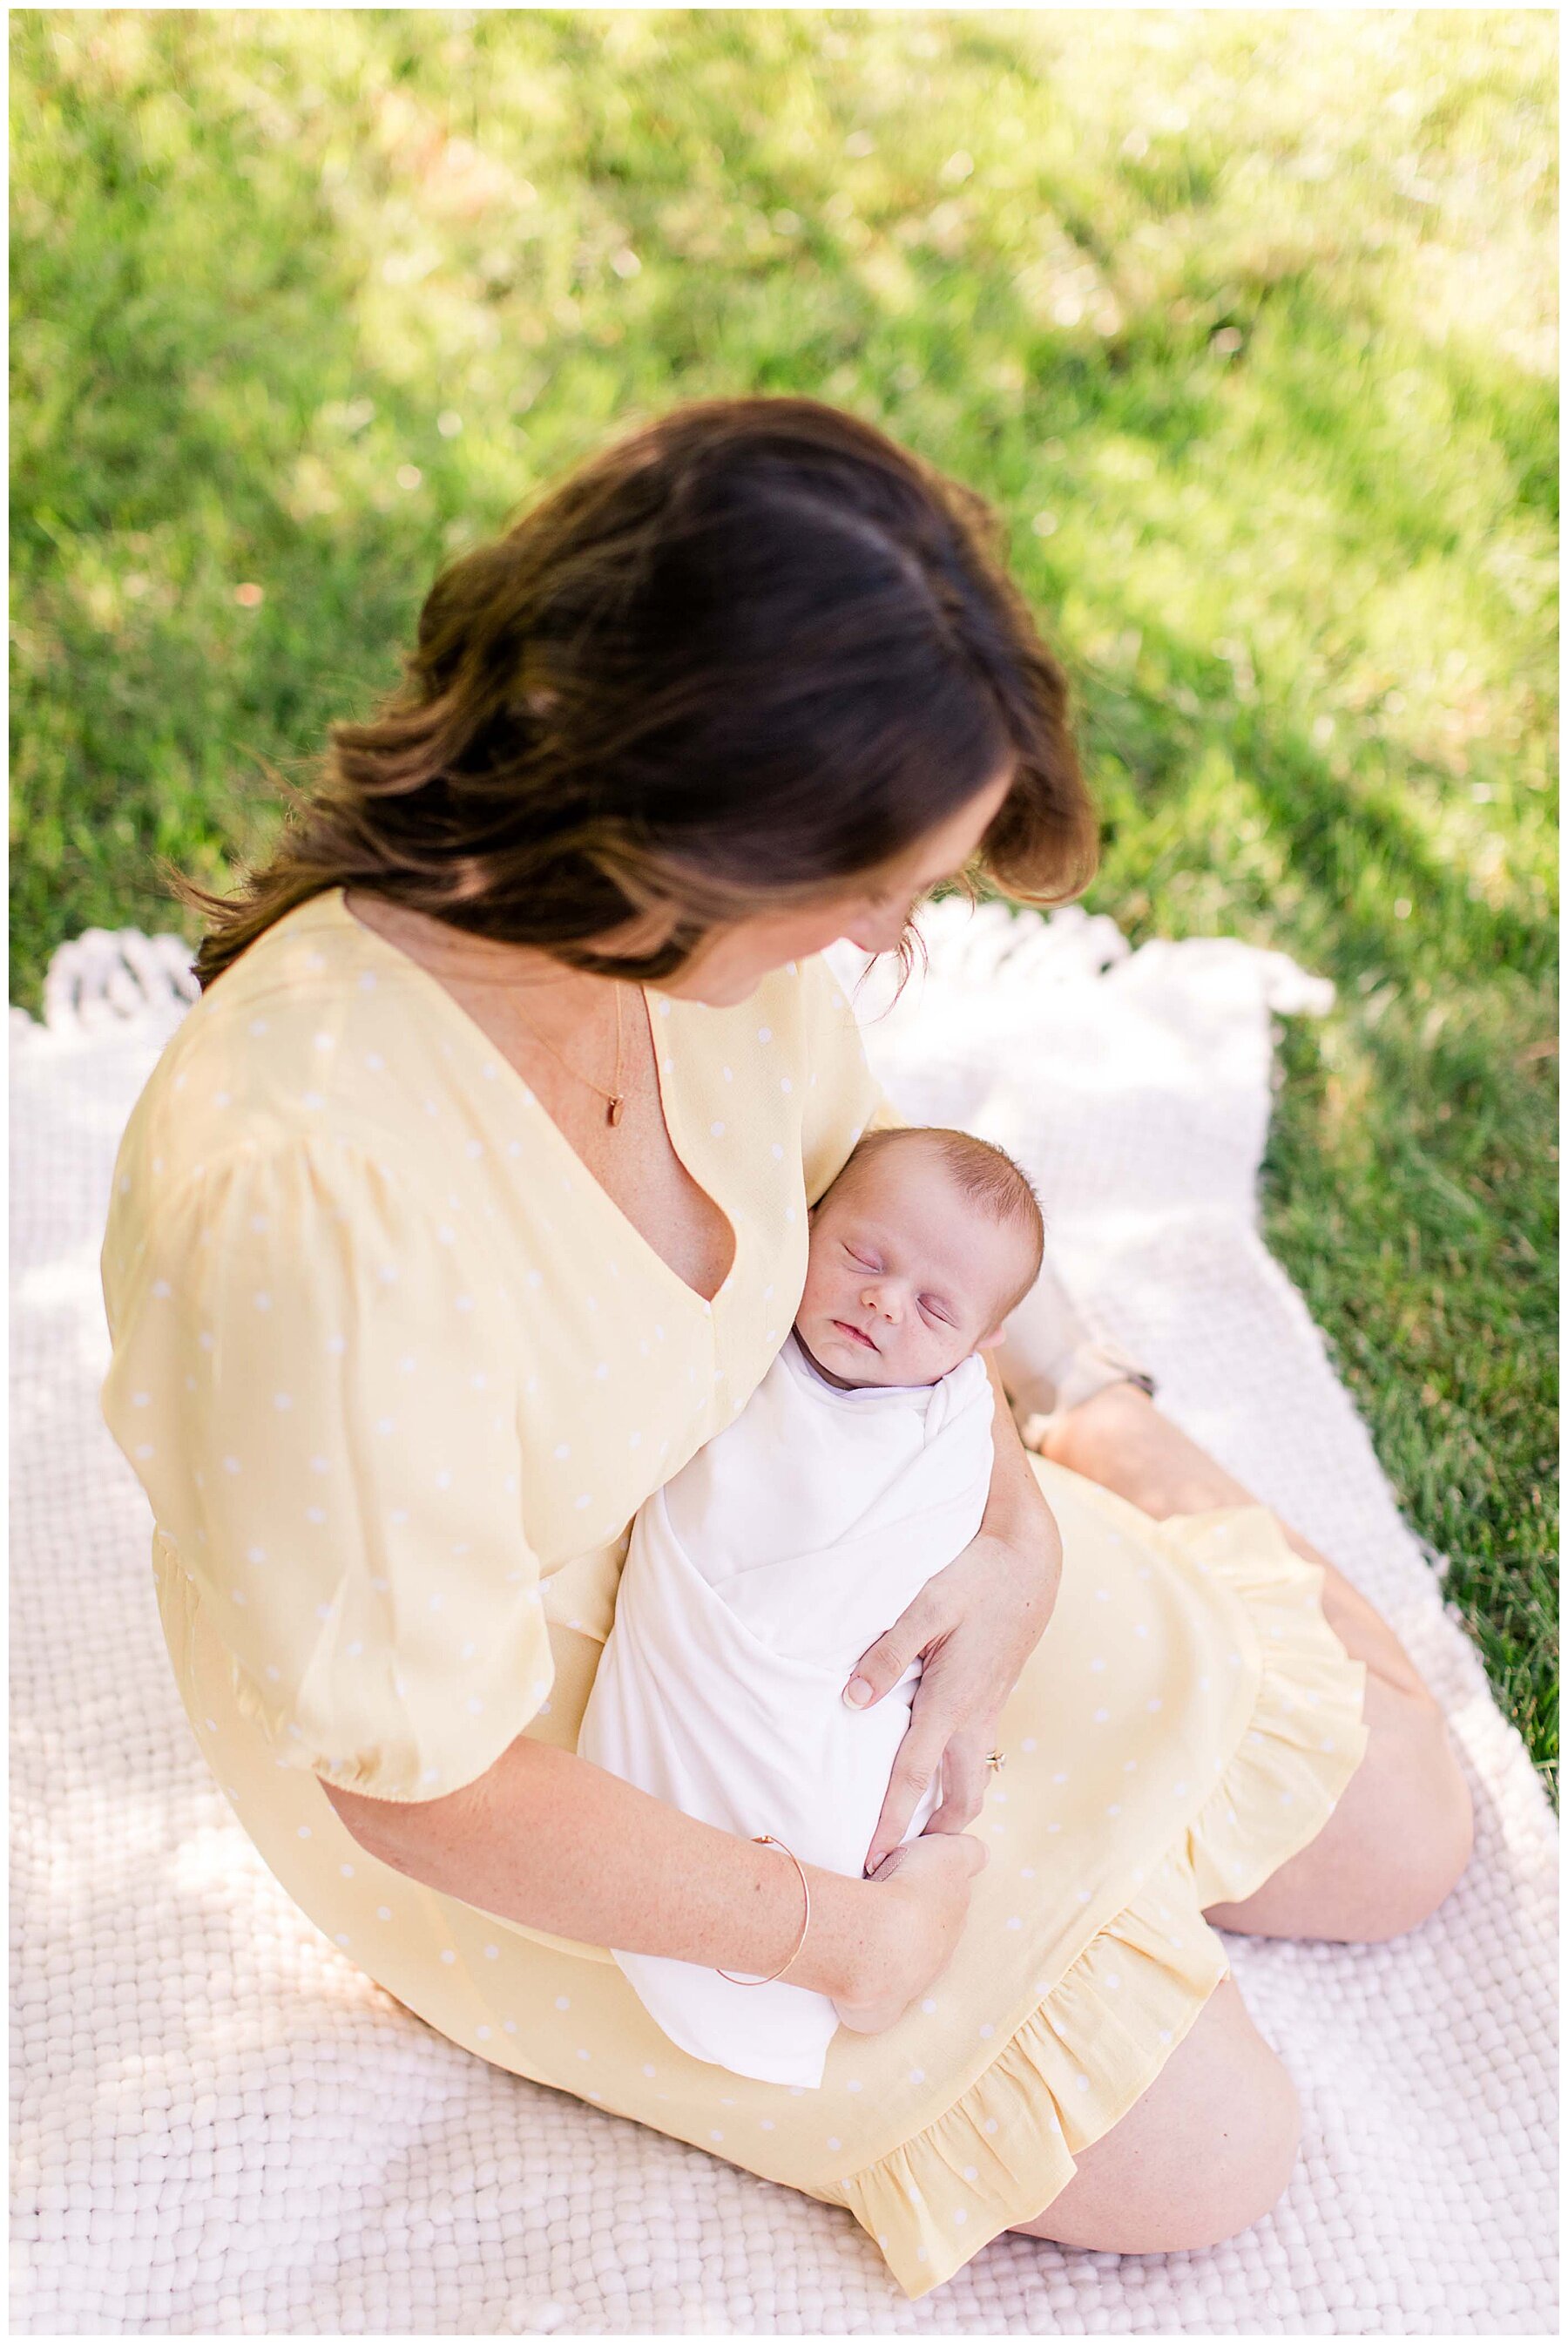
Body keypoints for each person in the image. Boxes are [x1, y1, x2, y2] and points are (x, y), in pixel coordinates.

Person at [98, 396, 1472, 2300]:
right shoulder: (310, 1191)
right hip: (568, 1748)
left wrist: (1007, 1548)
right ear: (684, 838)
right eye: (882, 890)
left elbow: (860, 1217)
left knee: (1411, 1827)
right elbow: (417, 1774)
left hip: (815, 1489)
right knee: (1220, 2156)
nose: (897, 939)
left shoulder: (707, 968)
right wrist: (838, 1943)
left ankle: (1103, 1419)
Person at [579, 1124, 1044, 2088]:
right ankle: (832, 1927)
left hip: (838, 1690)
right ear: (810, 1219)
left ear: (980, 1349)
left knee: (865, 1816)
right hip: (711, 1655)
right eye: (863, 1257)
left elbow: (939, 1567)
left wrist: (1021, 1561)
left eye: (935, 1308)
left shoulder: (947, 1420)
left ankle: (911, 1889)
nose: (883, 1301)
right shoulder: (749, 1340)